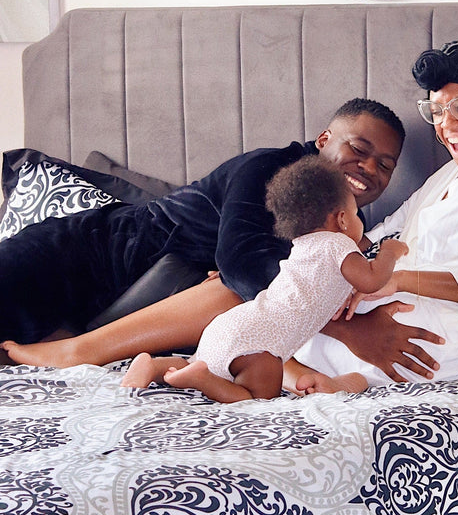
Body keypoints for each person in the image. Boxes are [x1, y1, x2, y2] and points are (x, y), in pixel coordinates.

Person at [2, 99, 444, 381]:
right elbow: (243, 267)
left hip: (132, 314)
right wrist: (352, 329)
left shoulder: (346, 225)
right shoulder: (272, 169)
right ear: (323, 140)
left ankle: (77, 349)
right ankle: (75, 350)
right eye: (359, 149)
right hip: (81, 258)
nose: (369, 168)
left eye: (385, 165)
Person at [287, 39, 458, 393]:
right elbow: (382, 235)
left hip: (454, 334)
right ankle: (333, 380)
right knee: (285, 302)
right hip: (399, 305)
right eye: (438, 111)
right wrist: (317, 264)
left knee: (285, 334)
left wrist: (397, 281)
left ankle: (327, 379)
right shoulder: (449, 174)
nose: (447, 125)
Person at [120, 158, 407, 401]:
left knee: (197, 360)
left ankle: (155, 366)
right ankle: (202, 380)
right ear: (343, 219)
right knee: (256, 398)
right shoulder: (337, 244)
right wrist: (389, 253)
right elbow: (371, 280)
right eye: (357, 215)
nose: (360, 223)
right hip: (260, 343)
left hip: (232, 326)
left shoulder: (303, 246)